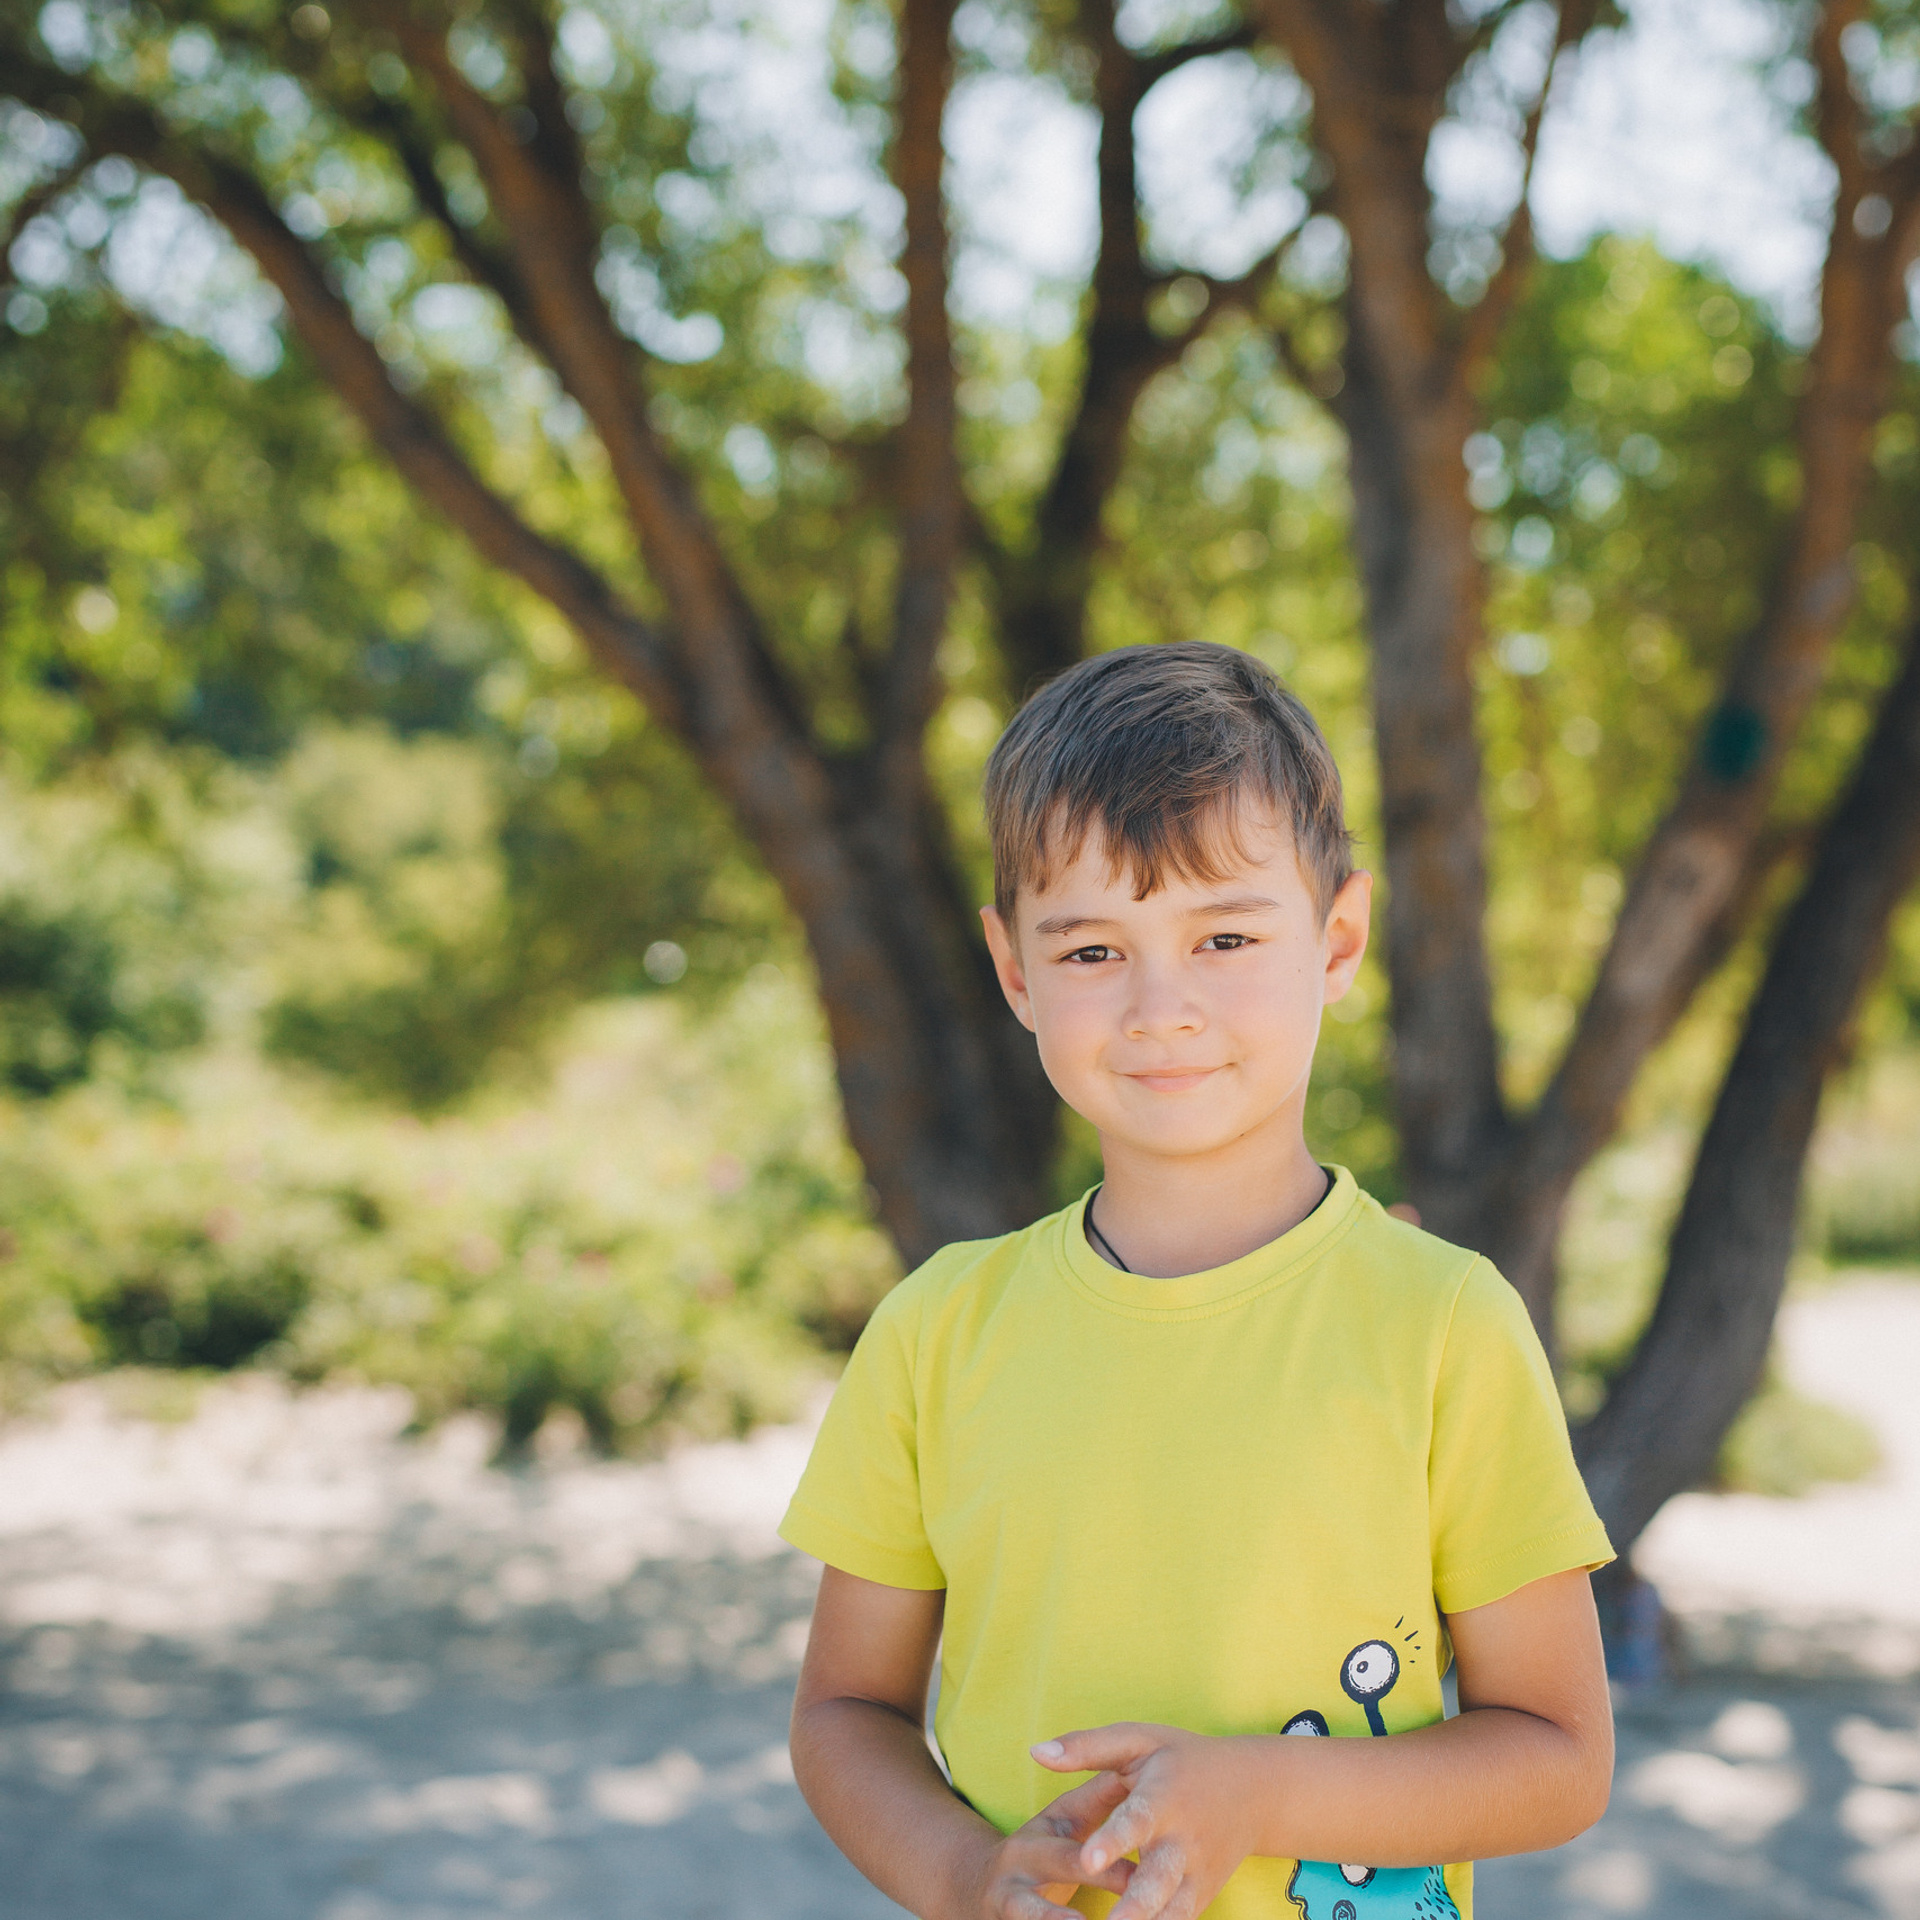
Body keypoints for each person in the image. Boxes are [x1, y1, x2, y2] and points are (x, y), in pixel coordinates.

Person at [780, 642, 1616, 1920]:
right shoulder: (937, 1333)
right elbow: (845, 1713)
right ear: (1015, 972)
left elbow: (1557, 1756)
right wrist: (964, 1871)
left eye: (1223, 934)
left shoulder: (1446, 1327)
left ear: (1337, 941)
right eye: (1093, 952)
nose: (1160, 1006)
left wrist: (1259, 1795)